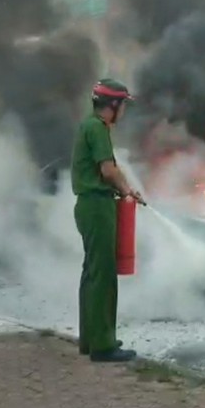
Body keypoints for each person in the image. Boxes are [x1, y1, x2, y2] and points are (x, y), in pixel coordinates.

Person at [71, 78, 143, 363]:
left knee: (92, 272)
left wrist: (125, 189)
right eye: (123, 104)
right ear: (113, 106)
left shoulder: (88, 125)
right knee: (103, 275)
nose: (124, 111)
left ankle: (90, 338)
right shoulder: (98, 128)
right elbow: (108, 170)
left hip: (89, 206)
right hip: (97, 207)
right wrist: (126, 190)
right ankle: (103, 346)